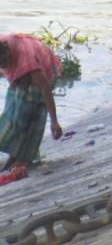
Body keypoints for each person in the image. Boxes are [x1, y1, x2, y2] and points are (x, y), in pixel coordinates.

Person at [0, 34, 63, 172]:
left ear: (6, 51)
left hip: (44, 70)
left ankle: (25, 157)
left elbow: (44, 89)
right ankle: (14, 155)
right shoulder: (5, 48)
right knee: (13, 111)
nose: (3, 65)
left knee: (31, 110)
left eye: (4, 60)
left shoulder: (26, 56)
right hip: (24, 67)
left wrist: (54, 121)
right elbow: (8, 68)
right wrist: (13, 80)